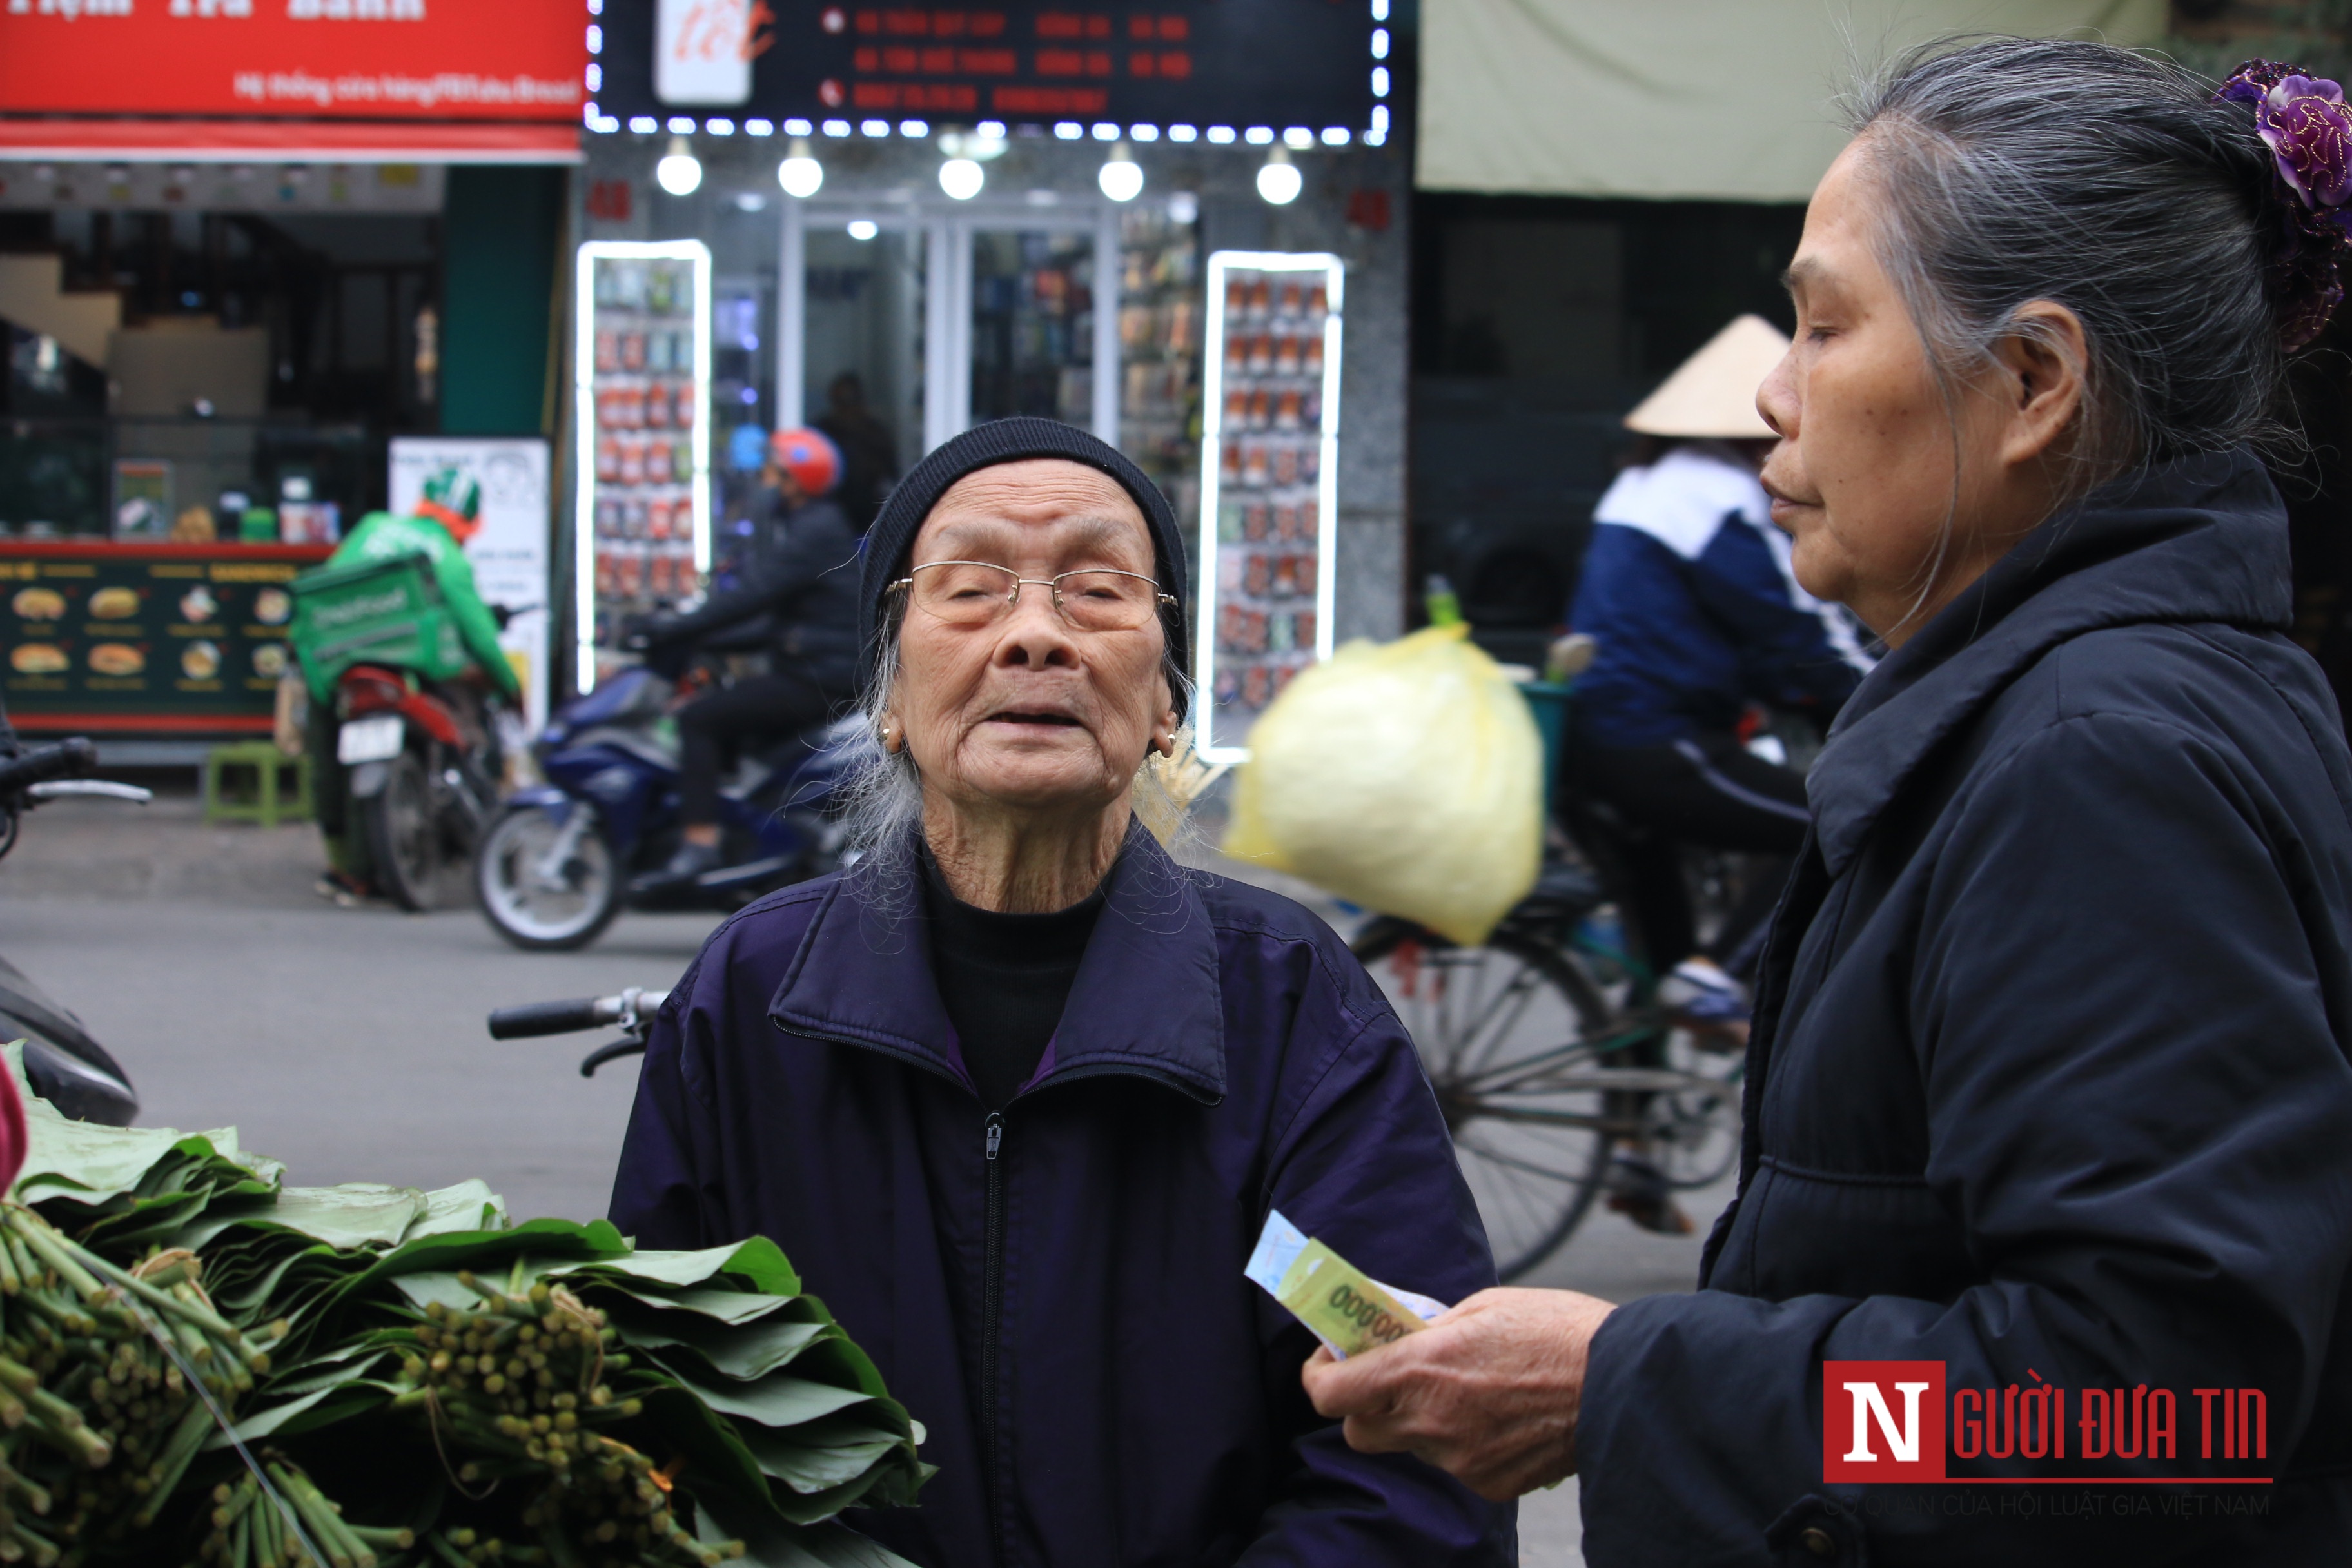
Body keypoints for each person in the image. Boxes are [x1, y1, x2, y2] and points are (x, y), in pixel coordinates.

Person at [1302, 39, 2352, 1563]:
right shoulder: (2093, 708)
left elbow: (2156, 1410)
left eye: (1823, 323)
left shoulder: (2096, 759)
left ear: (2034, 384)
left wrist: (1627, 1378)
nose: (1775, 397)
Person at [609, 416, 1515, 1565]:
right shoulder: (748, 1005)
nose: (1034, 634)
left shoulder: (1293, 1015)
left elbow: (1410, 1451)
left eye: (1096, 589)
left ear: (1166, 704)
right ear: (887, 696)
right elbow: (650, 1423)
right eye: (970, 588)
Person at [1565, 314, 1871, 1032]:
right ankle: (1719, 979)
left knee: (1659, 948)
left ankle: (1638, 1136)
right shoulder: (1715, 496)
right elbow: (1786, 631)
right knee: (1832, 826)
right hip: (1656, 739)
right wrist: (1880, 698)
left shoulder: (1649, 481)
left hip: (1603, 737)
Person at [633, 427, 861, 888]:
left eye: (771, 473)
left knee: (698, 720)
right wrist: (704, 643)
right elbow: (771, 622)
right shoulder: (815, 526)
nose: (762, 482)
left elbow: (751, 598)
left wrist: (676, 628)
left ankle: (700, 844)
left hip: (819, 680)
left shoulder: (813, 532)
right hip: (817, 671)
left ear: (795, 481)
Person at [304, 468, 520, 901]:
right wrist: (510, 687)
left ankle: (343, 869)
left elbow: (327, 594)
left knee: (327, 759)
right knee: (461, 724)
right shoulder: (448, 557)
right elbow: (481, 638)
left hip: (335, 670)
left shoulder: (373, 528)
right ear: (467, 523)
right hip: (405, 676)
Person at [812, 371, 900, 527]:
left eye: (851, 400)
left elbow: (891, 474)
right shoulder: (822, 431)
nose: (847, 408)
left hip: (868, 512)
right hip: (831, 508)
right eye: (842, 401)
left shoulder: (874, 432)